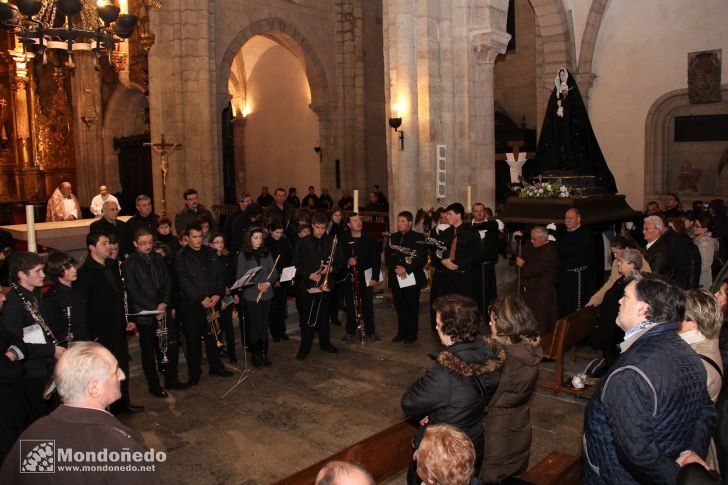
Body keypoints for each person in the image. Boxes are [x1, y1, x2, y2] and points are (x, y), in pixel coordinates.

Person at [582, 273, 717, 484]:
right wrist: (689, 455)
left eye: (626, 296)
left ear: (642, 309)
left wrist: (678, 475)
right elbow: (706, 411)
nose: (619, 300)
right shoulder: (688, 353)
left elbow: (638, 453)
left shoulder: (630, 374)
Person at [0, 342, 163, 484]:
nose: (122, 375)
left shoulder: (31, 435)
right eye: (114, 371)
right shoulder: (118, 450)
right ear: (94, 388)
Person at [401, 295, 503, 482]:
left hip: (444, 452)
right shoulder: (488, 353)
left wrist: (429, 408)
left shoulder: (445, 373)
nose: (436, 328)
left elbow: (409, 403)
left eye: (439, 324)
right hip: (473, 442)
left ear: (450, 330)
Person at [76, 233, 144, 415]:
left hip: (118, 328)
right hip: (101, 332)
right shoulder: (85, 274)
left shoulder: (112, 266)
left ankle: (122, 403)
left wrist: (128, 319)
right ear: (92, 247)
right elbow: (84, 308)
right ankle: (104, 407)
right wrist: (92, 336)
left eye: (109, 243)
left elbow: (121, 297)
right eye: (104, 243)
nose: (109, 247)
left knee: (121, 367)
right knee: (103, 372)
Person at [528, 67, 617, 194]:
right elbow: (550, 113)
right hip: (559, 126)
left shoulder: (572, 91)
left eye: (563, 75)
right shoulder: (556, 91)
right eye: (560, 75)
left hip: (571, 128)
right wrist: (558, 107)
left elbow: (577, 110)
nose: (562, 77)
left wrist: (566, 107)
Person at [1, 252, 65, 426]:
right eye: (38, 271)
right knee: (41, 419)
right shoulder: (14, 303)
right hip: (32, 371)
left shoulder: (34, 292)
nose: (43, 275)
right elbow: (18, 343)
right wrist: (52, 350)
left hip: (45, 364)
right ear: (22, 274)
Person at [482, 296, 542, 483]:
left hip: (498, 427)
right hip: (519, 420)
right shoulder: (529, 349)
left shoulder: (507, 361)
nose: (490, 325)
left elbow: (487, 397)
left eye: (492, 321)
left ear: (504, 328)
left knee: (493, 474)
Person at [123, 228, 188, 395]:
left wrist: (164, 303)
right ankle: (154, 385)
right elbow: (133, 291)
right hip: (145, 315)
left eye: (150, 242)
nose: (147, 246)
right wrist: (154, 308)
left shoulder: (158, 257)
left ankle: (171, 379)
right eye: (143, 243)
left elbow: (167, 281)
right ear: (135, 244)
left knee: (169, 346)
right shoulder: (129, 264)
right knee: (149, 351)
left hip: (162, 309)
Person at [175, 223, 233, 383]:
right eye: (194, 237)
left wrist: (217, 294)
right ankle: (194, 374)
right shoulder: (181, 256)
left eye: (200, 236)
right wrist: (201, 298)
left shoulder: (211, 252)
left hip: (212, 301)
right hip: (192, 305)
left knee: (213, 336)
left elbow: (221, 275)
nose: (198, 240)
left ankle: (216, 367)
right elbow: (183, 281)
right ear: (187, 238)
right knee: (193, 341)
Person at [293, 211, 344, 360]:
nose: (320, 231)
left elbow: (340, 261)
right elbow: (295, 265)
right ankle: (305, 347)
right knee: (307, 318)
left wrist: (332, 268)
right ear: (312, 226)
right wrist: (308, 274)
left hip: (325, 285)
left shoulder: (332, 241)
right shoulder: (302, 243)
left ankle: (325, 343)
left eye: (323, 228)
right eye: (317, 227)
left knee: (323, 316)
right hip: (308, 285)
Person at [591, 248, 643, 370]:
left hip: (617, 332)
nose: (618, 264)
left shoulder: (634, 284)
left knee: (615, 361)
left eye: (621, 261)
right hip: (610, 327)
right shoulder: (622, 279)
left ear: (632, 265)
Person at [237, 227, 278, 368]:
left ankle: (263, 353)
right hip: (252, 295)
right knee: (255, 325)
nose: (259, 240)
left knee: (264, 324)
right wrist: (257, 286)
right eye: (255, 238)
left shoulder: (266, 253)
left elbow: (274, 273)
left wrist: (267, 283)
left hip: (266, 294)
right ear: (249, 239)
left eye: (260, 238)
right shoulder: (243, 255)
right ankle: (255, 355)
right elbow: (241, 277)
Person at [386, 211, 426, 343]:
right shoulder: (392, 237)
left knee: (411, 307)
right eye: (398, 221)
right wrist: (395, 268)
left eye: (403, 221)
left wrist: (406, 269)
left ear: (410, 223)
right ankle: (401, 333)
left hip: (411, 277)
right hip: (396, 276)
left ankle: (411, 335)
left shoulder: (419, 237)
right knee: (399, 306)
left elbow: (421, 259)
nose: (399, 224)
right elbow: (387, 257)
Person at [340, 214, 381, 342]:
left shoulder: (370, 238)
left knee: (368, 305)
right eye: (355, 220)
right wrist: (347, 262)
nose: (359, 222)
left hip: (366, 277)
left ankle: (370, 332)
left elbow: (376, 259)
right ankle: (350, 331)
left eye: (359, 220)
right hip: (349, 277)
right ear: (348, 224)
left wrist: (375, 277)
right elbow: (338, 257)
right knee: (351, 306)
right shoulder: (343, 238)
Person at [516, 226, 559, 335]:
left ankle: (543, 343)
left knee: (542, 320)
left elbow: (537, 269)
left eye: (534, 239)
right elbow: (521, 254)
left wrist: (523, 264)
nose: (531, 241)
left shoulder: (550, 251)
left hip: (542, 291)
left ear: (542, 238)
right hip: (531, 290)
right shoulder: (532, 246)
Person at [587, 236, 651, 308]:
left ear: (626, 249)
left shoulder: (639, 261)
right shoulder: (616, 262)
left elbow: (647, 284)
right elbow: (611, 282)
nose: (615, 256)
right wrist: (595, 300)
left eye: (616, 253)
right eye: (613, 253)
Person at [42, 251, 89, 344]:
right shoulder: (51, 297)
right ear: (57, 271)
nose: (74, 270)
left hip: (86, 339)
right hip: (70, 345)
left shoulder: (78, 288)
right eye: (67, 268)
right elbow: (56, 330)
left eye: (73, 266)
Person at [557, 208, 594, 316]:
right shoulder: (561, 232)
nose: (567, 221)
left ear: (578, 219)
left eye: (570, 218)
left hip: (578, 276)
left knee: (576, 306)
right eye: (565, 218)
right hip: (564, 276)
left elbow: (571, 251)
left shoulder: (586, 234)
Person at [440, 203, 479, 299]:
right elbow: (440, 250)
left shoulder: (471, 232)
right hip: (448, 277)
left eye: (449, 214)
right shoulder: (446, 232)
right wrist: (444, 261)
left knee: (463, 307)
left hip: (464, 277)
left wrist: (458, 264)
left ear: (458, 215)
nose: (447, 217)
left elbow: (478, 255)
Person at [210, 233, 238, 364]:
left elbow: (232, 276)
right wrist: (220, 299)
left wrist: (234, 292)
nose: (219, 244)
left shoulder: (227, 257)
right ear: (211, 244)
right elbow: (211, 282)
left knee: (229, 327)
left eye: (221, 241)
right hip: (217, 298)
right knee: (218, 328)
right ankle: (219, 350)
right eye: (216, 242)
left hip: (228, 295)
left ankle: (232, 353)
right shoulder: (209, 259)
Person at [470, 203, 499, 315]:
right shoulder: (468, 227)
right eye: (476, 211)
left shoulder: (492, 224)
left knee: (488, 291)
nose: (479, 213)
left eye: (481, 210)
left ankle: (488, 315)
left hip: (487, 264)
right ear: (473, 213)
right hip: (473, 266)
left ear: (485, 211)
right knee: (474, 291)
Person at [266, 222, 293, 342]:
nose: (279, 235)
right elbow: (268, 264)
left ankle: (282, 331)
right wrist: (275, 279)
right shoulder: (266, 243)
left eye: (281, 232)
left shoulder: (284, 241)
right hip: (273, 278)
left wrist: (287, 275)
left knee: (282, 306)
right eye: (277, 232)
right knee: (274, 307)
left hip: (285, 276)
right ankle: (275, 332)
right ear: (270, 231)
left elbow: (288, 257)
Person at [429, 209, 453, 331]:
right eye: (441, 218)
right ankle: (436, 323)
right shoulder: (434, 230)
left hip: (449, 271)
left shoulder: (452, 231)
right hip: (438, 269)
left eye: (445, 217)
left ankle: (448, 324)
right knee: (436, 298)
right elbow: (432, 248)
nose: (443, 220)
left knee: (448, 299)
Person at [643, 215, 673, 280]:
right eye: (644, 229)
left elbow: (653, 277)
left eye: (647, 229)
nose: (643, 232)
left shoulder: (661, 251)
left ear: (657, 230)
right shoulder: (653, 245)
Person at [693, 213, 718, 289]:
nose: (694, 228)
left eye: (697, 226)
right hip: (700, 278)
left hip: (701, 280)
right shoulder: (700, 239)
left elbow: (705, 265)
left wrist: (692, 272)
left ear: (705, 228)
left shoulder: (705, 242)